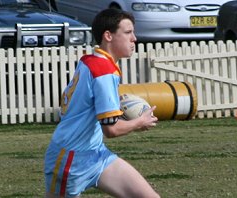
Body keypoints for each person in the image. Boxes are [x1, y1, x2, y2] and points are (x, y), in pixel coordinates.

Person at [44, 8, 160, 198]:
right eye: (128, 32)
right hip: (71, 159)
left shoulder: (90, 60)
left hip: (96, 154)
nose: (135, 39)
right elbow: (111, 130)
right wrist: (139, 122)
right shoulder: (103, 71)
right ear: (108, 36)